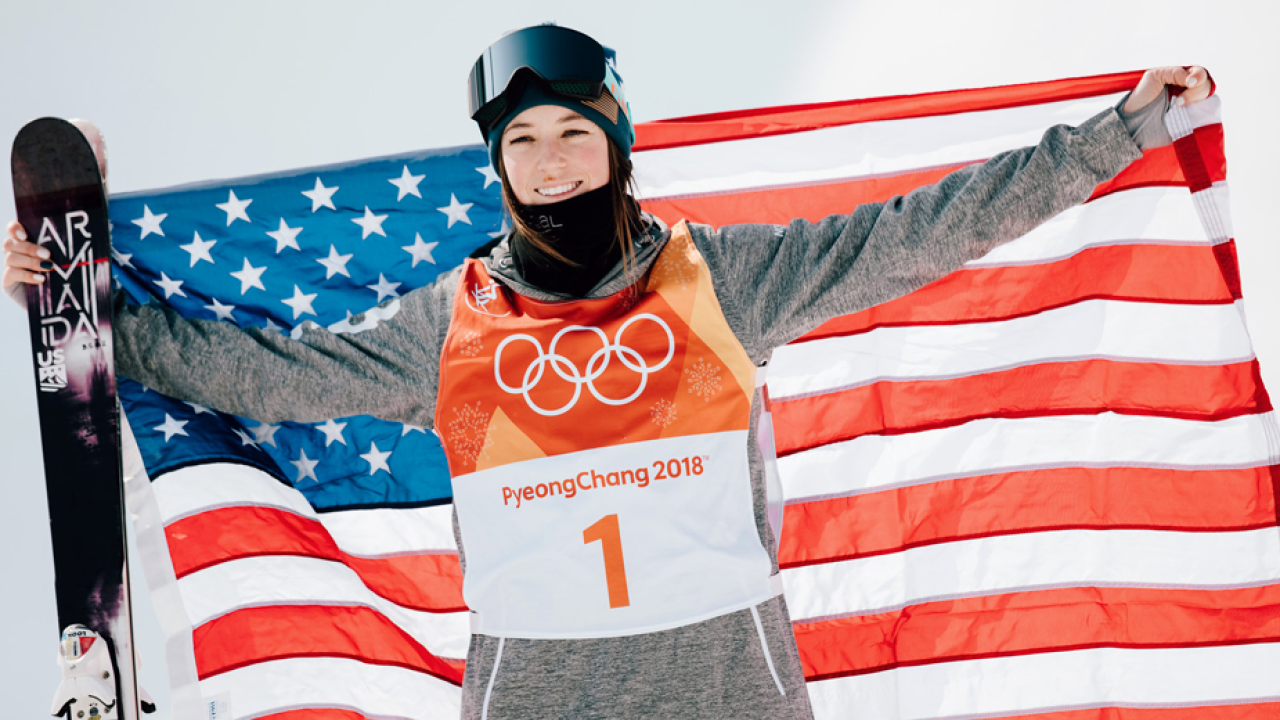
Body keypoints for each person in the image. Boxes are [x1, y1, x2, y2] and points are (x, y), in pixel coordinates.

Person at [4, 24, 1211, 720]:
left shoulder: (718, 281)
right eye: (520, 141)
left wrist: (1112, 136)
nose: (548, 160)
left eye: (574, 131)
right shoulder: (456, 319)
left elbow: (919, 230)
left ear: (616, 141)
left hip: (726, 687)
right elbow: (268, 375)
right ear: (497, 167)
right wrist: (85, 313)